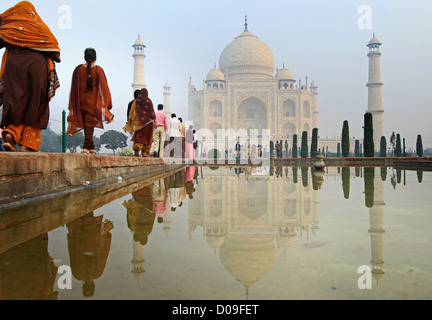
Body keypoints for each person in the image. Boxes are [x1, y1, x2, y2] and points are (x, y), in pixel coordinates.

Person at [0, 1, 61, 152]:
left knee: (15, 100)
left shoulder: (10, 26)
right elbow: (55, 51)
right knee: (35, 103)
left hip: (13, 65)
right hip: (37, 67)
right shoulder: (40, 27)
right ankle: (28, 144)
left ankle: (10, 135)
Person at [67, 48, 114, 154]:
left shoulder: (78, 69)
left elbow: (74, 87)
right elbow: (104, 87)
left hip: (80, 101)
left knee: (86, 124)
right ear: (95, 58)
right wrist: (107, 104)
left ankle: (90, 146)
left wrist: (72, 103)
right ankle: (86, 147)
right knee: (89, 124)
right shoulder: (98, 70)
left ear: (84, 57)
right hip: (93, 102)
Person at [124, 88, 156, 157]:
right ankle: (145, 152)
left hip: (139, 123)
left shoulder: (135, 102)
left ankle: (137, 146)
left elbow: (131, 113)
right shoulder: (148, 101)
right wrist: (155, 120)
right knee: (148, 137)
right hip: (148, 122)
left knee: (139, 135)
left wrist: (130, 122)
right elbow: (151, 111)